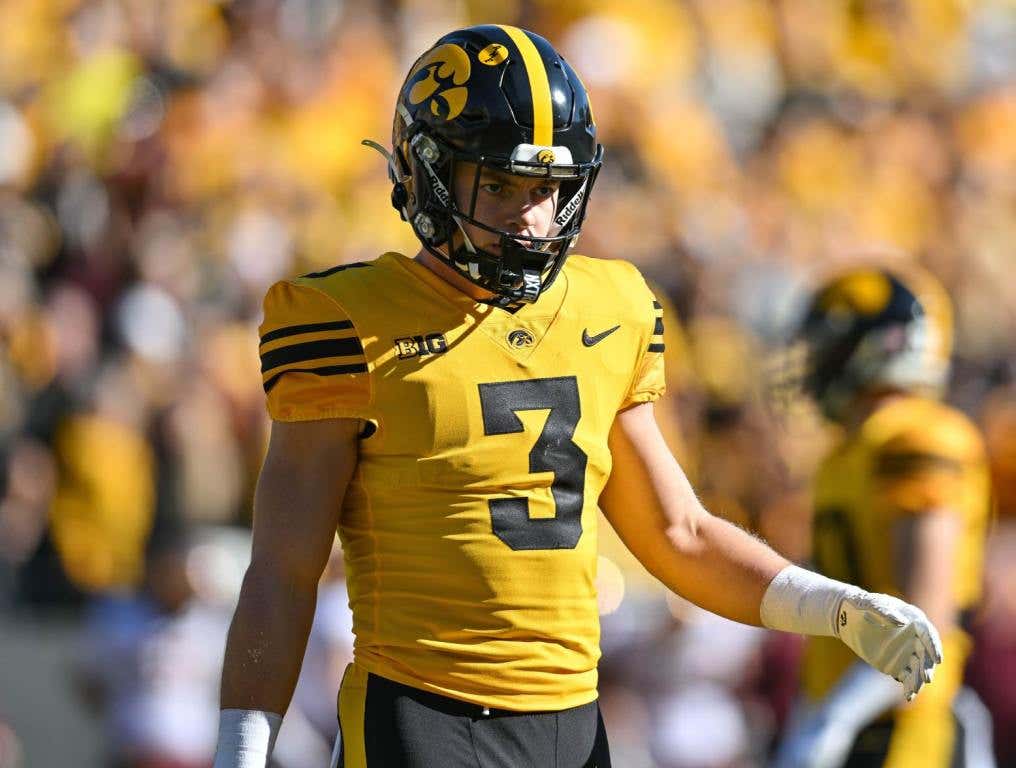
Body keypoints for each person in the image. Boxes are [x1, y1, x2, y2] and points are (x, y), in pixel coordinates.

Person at [213, 26, 941, 768]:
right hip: (423, 712)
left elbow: (679, 533)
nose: (531, 217)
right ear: (428, 172)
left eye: (547, 189)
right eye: (499, 185)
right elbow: (283, 569)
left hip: (573, 724)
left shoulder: (611, 304)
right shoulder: (343, 320)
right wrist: (241, 751)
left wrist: (834, 607)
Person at [773, 264, 994, 768]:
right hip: (853, 720)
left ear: (882, 343)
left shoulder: (920, 438)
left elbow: (924, 620)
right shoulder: (847, 454)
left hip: (903, 727)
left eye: (830, 342)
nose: (815, 361)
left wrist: (837, 716)